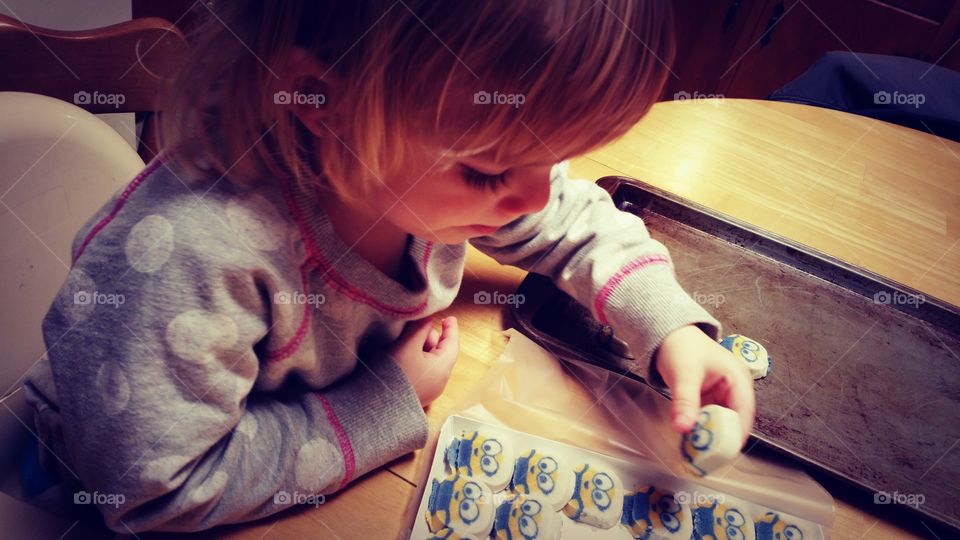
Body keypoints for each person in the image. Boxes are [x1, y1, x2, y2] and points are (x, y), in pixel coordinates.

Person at [22, 0, 755, 532]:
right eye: (485, 170)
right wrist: (387, 400)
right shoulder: (194, 254)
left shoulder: (411, 160)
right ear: (318, 99)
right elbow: (152, 492)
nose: (534, 195)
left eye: (550, 157)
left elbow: (566, 218)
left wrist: (669, 328)